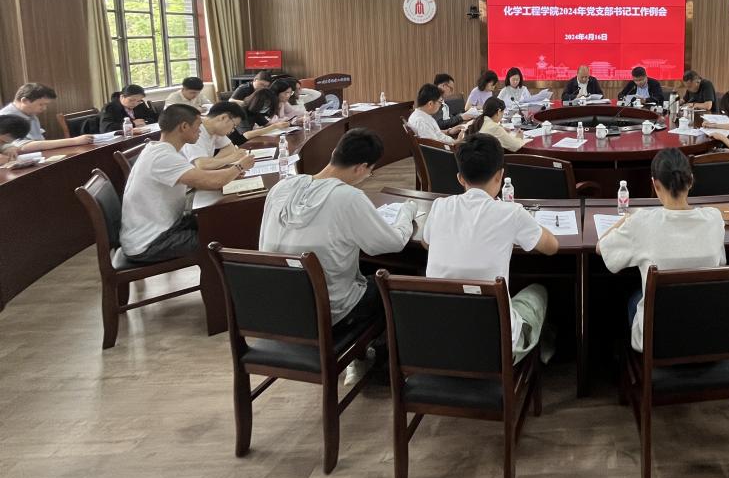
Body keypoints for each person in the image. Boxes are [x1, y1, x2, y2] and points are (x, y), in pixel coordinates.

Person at [259, 127, 416, 381]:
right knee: (398, 286)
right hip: (327, 313)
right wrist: (406, 213)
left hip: (276, 307)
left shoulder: (281, 188)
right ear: (361, 168)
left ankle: (364, 357)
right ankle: (380, 366)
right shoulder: (348, 197)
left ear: (334, 152)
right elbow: (392, 242)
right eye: (370, 171)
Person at [422, 133, 559, 362]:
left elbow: (426, 243)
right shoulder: (511, 213)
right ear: (500, 176)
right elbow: (551, 247)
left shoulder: (439, 206)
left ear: (460, 178)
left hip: (440, 342)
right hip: (495, 349)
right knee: (539, 291)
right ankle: (541, 353)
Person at [597, 149, 727, 350]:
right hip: (706, 332)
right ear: (691, 181)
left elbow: (601, 248)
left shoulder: (641, 222)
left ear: (655, 184)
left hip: (658, 340)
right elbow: (721, 263)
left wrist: (627, 219)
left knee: (633, 297)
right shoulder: (714, 218)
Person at [119, 104, 246, 263]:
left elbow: (203, 177)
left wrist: (231, 171)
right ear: (184, 127)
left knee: (225, 221)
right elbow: (211, 181)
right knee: (226, 238)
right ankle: (218, 279)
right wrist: (239, 166)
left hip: (168, 225)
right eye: (198, 127)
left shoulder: (163, 150)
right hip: (151, 242)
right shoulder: (163, 156)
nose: (200, 131)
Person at [0, 83, 94, 152]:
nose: (44, 108)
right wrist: (74, 141)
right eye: (41, 104)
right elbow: (23, 146)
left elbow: (39, 139)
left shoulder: (31, 114)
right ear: (24, 101)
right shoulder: (5, 118)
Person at [182, 101, 255, 170]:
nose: (233, 130)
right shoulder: (194, 129)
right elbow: (202, 165)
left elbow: (230, 148)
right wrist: (231, 158)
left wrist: (213, 162)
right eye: (234, 125)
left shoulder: (215, 129)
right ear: (223, 118)